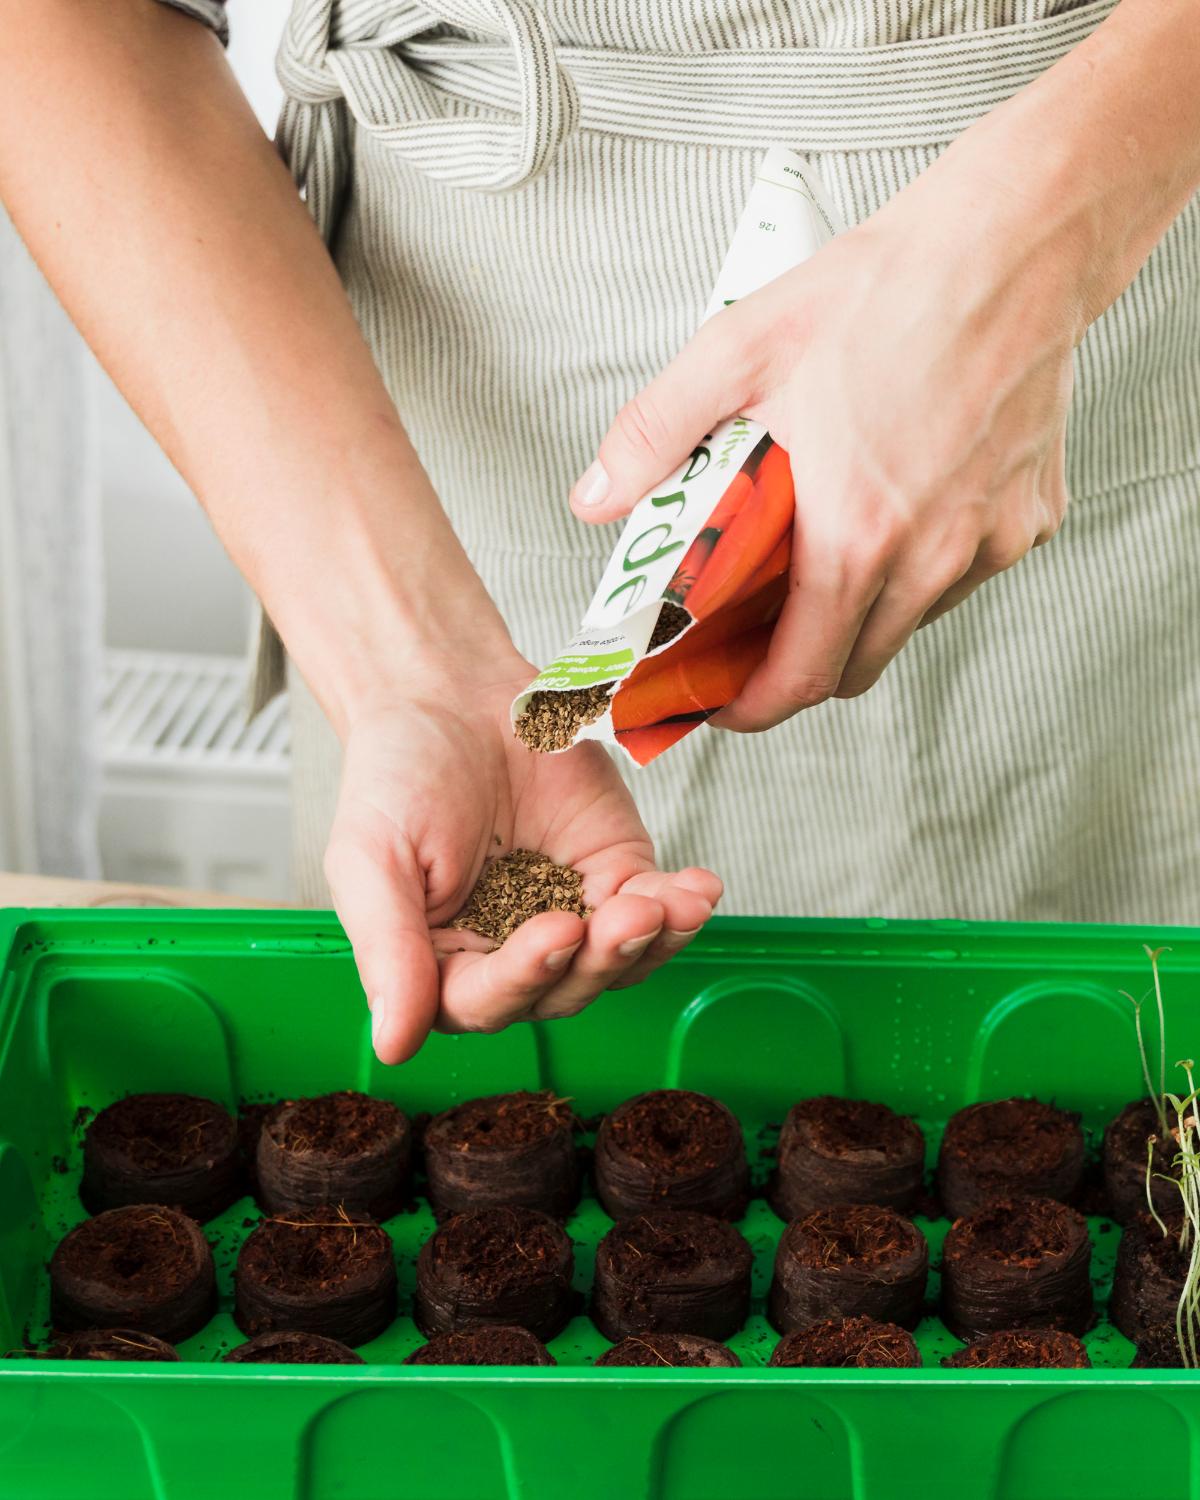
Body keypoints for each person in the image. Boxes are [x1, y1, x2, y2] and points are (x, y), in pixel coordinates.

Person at [2, 1, 1197, 1063]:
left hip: (1094, 280)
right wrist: (411, 669)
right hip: (396, 464)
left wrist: (1029, 246)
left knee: (1110, 1075)